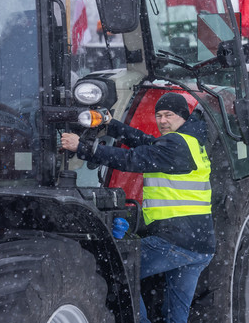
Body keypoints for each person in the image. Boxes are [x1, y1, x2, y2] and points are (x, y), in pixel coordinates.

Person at [61, 92, 215, 323]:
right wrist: (110, 125)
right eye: (159, 115)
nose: (162, 121)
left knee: (118, 269)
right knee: (177, 316)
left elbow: (131, 159)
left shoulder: (177, 144)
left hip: (176, 240)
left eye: (168, 115)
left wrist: (82, 147)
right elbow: (144, 141)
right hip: (200, 245)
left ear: (183, 116)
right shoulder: (190, 141)